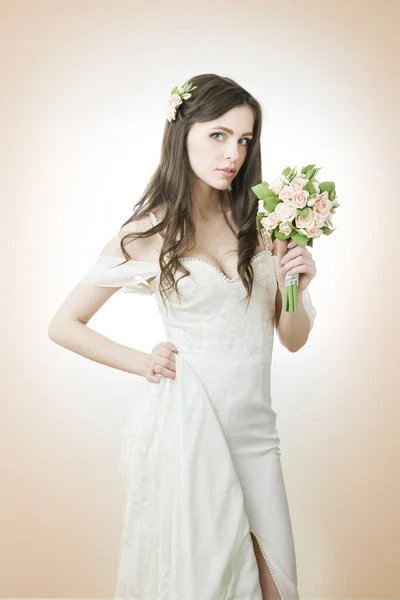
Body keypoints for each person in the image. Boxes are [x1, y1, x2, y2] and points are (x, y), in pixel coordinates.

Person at [48, 73, 317, 600]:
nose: (233, 153)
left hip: (258, 436)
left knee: (278, 587)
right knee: (207, 583)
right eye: (218, 135)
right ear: (183, 133)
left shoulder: (264, 228)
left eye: (244, 139)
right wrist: (143, 361)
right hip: (193, 428)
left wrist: (294, 283)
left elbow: (293, 338)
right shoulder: (148, 233)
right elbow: (63, 325)